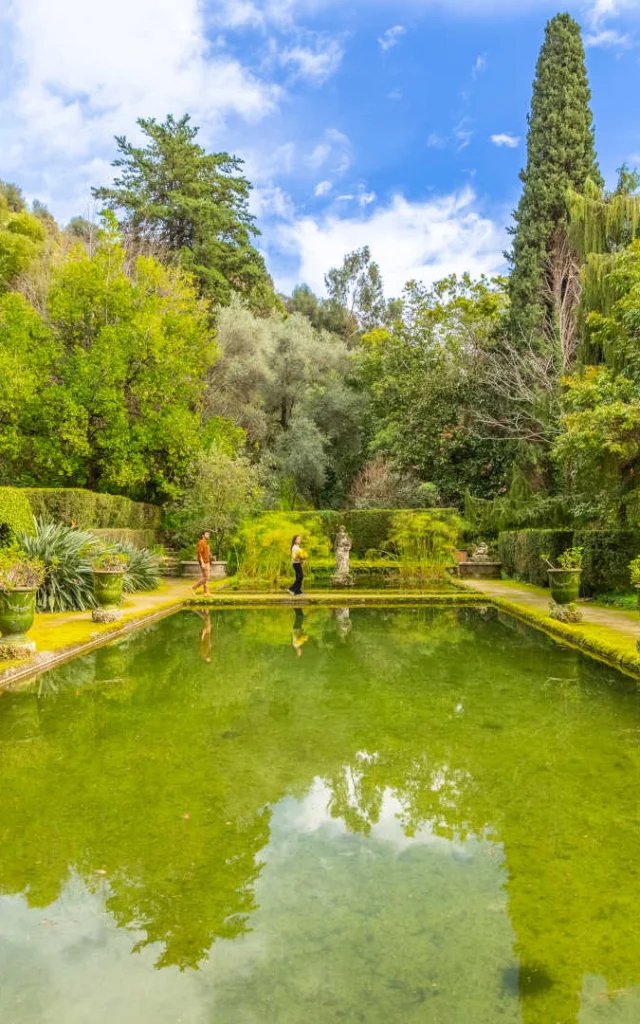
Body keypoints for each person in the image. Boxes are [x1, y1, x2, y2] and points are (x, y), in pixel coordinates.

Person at [192, 530, 212, 595]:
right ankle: (193, 588)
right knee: (206, 577)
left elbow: (207, 553)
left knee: (206, 577)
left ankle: (206, 592)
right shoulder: (201, 542)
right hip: (204, 562)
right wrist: (202, 563)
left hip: (207, 562)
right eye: (206, 534)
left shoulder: (206, 543)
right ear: (202, 535)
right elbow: (199, 553)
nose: (208, 535)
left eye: (208, 534)